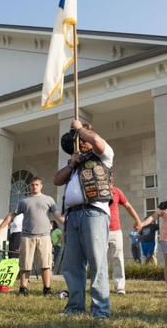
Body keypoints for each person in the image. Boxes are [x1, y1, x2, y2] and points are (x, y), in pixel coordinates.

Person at [53, 120, 114, 319]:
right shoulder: (74, 162)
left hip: (94, 212)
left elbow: (96, 140)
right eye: (78, 139)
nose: (80, 142)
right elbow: (57, 179)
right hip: (72, 215)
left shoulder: (103, 155)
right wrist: (72, 163)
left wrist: (80, 129)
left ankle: (101, 310)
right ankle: (75, 307)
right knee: (72, 265)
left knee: (97, 262)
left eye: (81, 138)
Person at [0, 176, 64, 296]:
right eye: (32, 185)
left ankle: (47, 289)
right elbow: (11, 216)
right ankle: (23, 289)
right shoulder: (23, 201)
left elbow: (58, 216)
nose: (34, 187)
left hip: (44, 236)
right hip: (27, 236)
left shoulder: (48, 199)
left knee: (46, 264)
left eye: (37, 184)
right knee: (25, 264)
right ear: (30, 186)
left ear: (41, 186)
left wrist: (70, 223)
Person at [107, 174, 142, 295]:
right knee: (100, 260)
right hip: (100, 231)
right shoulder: (97, 192)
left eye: (110, 179)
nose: (109, 181)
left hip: (115, 230)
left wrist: (138, 221)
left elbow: (128, 206)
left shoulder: (117, 192)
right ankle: (101, 286)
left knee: (118, 259)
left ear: (113, 180)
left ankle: (120, 287)